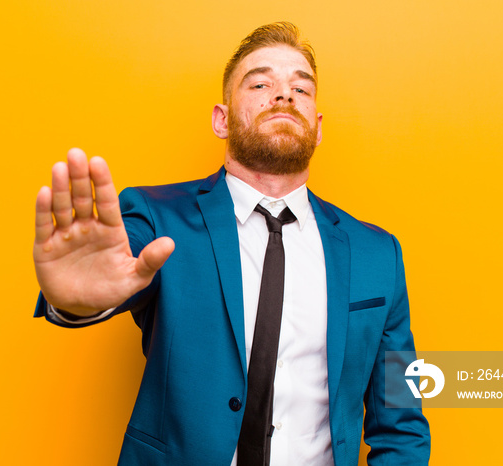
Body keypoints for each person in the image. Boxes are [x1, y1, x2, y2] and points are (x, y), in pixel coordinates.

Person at [33, 22, 430, 466]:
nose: (283, 95)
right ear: (221, 120)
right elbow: (118, 269)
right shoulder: (156, 215)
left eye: (301, 89)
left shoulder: (379, 255)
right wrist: (77, 302)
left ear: (317, 128)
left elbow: (401, 418)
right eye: (261, 83)